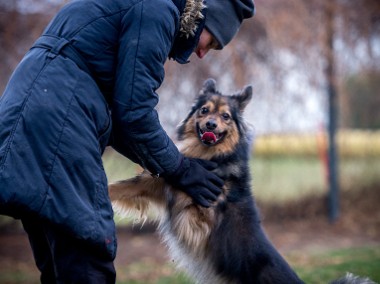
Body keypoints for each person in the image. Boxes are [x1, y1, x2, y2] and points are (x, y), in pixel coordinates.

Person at [0, 0, 255, 282]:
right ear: (203, 15)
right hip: (58, 120)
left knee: (60, 264)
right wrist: (181, 169)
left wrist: (172, 165)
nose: (203, 53)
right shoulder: (157, 9)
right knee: (87, 254)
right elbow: (134, 114)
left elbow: (122, 123)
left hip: (29, 116)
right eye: (212, 41)